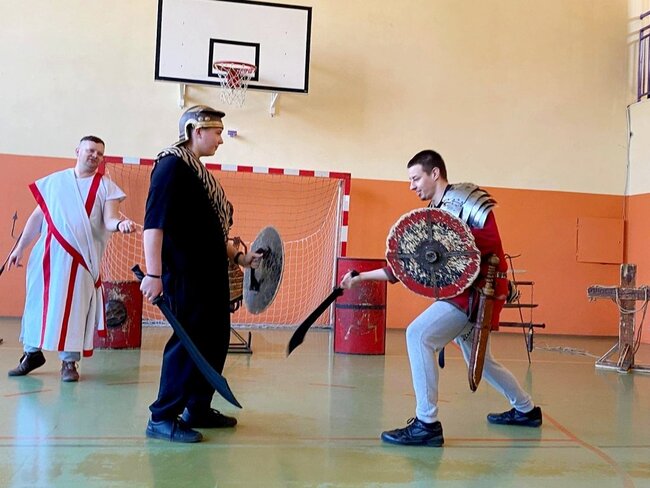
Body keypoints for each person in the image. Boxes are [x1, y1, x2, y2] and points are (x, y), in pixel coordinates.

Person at [340, 149, 542, 447]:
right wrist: (360, 277)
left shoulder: (468, 200)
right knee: (482, 360)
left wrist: (445, 243)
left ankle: (427, 425)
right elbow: (405, 266)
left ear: (434, 173)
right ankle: (526, 410)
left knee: (418, 335)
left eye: (415, 178)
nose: (411, 186)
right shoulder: (433, 214)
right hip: (462, 294)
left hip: (476, 295)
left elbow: (489, 245)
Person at [140, 105, 261, 443]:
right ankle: (162, 417)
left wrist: (240, 258)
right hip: (186, 276)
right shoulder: (171, 166)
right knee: (188, 344)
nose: (221, 139)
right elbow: (153, 225)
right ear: (195, 130)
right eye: (217, 132)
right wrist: (153, 275)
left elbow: (213, 233)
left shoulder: (197, 173)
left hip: (210, 276)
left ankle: (197, 407)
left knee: (215, 340)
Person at [6, 135, 136, 382]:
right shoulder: (55, 183)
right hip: (46, 257)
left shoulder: (106, 186)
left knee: (74, 311)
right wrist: (19, 248)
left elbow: (110, 219)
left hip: (81, 262)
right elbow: (37, 218)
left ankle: (69, 362)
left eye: (100, 153)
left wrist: (121, 225)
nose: (95, 156)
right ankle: (31, 354)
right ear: (77, 151)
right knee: (37, 305)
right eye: (90, 150)